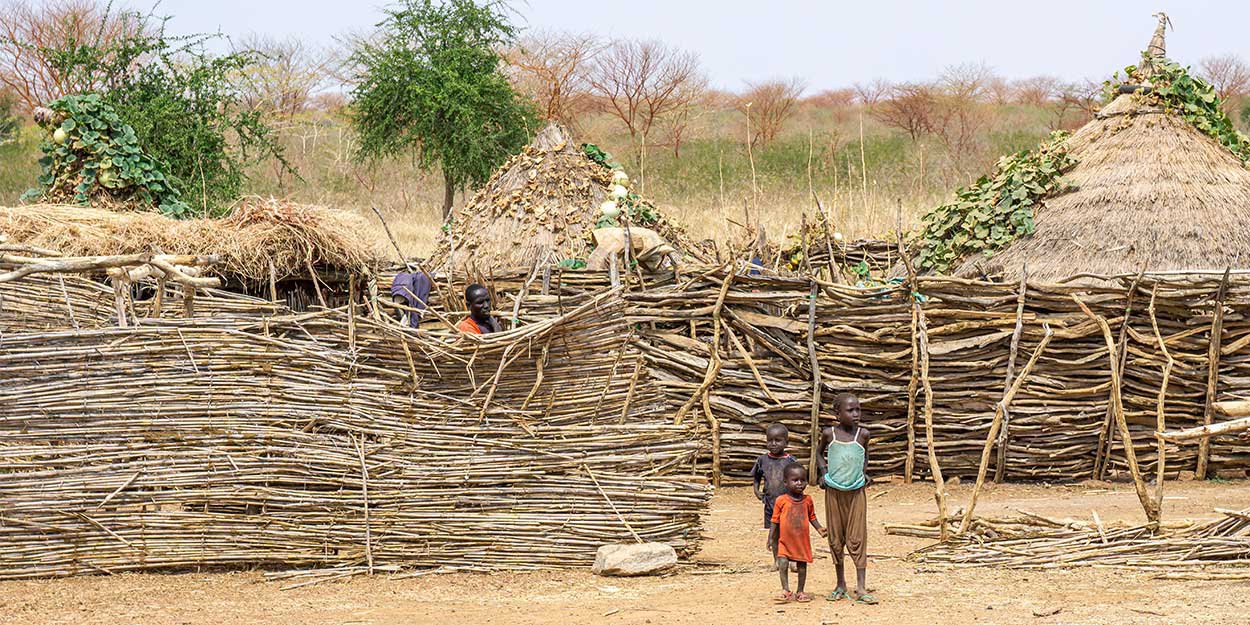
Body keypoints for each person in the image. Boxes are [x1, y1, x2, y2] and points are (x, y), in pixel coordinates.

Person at [817, 393, 877, 605]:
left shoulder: (863, 434)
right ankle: (840, 584)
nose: (856, 414)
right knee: (835, 538)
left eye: (858, 409)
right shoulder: (828, 434)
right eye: (850, 410)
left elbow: (864, 455)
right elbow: (818, 453)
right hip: (833, 492)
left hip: (856, 492)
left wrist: (863, 472)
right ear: (837, 413)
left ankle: (860, 587)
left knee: (858, 537)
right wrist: (823, 472)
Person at [767, 463, 827, 604]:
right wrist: (770, 537)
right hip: (785, 540)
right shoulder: (781, 500)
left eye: (802, 480)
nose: (799, 483)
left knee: (802, 566)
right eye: (795, 480)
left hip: (801, 540)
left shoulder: (808, 500)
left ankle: (800, 591)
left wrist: (819, 528)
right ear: (786, 482)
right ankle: (786, 590)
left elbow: (812, 516)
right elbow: (775, 520)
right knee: (782, 562)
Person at [751, 423, 797, 569]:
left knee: (790, 532)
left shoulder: (791, 461)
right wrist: (756, 490)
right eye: (770, 440)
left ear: (786, 442)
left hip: (789, 504)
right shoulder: (762, 460)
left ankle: (793, 560)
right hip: (770, 503)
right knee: (775, 532)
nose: (773, 444)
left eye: (778, 440)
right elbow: (756, 477)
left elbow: (799, 478)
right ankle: (777, 560)